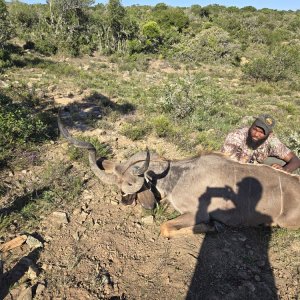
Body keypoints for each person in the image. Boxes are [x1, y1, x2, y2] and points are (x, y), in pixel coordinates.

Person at [221, 114, 300, 173]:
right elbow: (226, 164)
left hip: (257, 168)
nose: (256, 134)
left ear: (269, 134)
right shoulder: (236, 136)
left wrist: (284, 170)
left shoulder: (271, 140)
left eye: (261, 132)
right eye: (254, 129)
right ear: (251, 126)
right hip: (236, 170)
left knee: (284, 165)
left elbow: (295, 160)